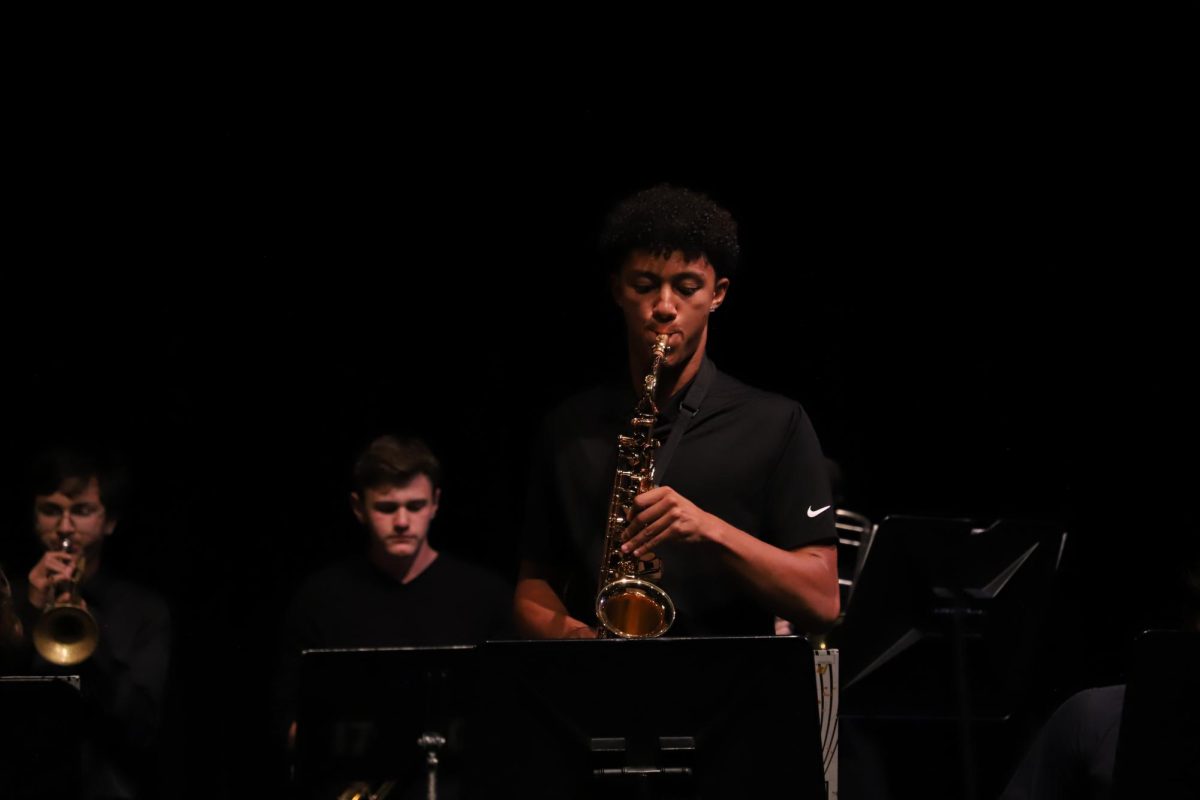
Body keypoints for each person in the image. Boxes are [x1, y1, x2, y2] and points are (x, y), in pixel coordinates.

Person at [514, 184, 841, 639]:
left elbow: (823, 601)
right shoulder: (569, 427)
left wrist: (707, 529)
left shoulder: (777, 423)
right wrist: (581, 644)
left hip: (730, 696)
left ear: (717, 294)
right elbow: (533, 586)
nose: (665, 307)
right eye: (644, 286)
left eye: (687, 288)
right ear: (617, 290)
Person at [276, 435, 514, 750]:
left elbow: (511, 717)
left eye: (415, 506)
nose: (402, 522)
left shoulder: (487, 596)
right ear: (358, 508)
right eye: (386, 508)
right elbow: (288, 719)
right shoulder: (319, 599)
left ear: (435, 503)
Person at [10, 446, 171, 800]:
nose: (64, 527)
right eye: (50, 511)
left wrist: (88, 631)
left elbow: (141, 726)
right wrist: (27, 617)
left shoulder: (142, 610)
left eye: (81, 511)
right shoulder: (10, 603)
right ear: (35, 518)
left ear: (109, 521)